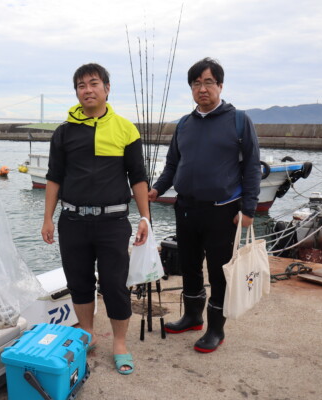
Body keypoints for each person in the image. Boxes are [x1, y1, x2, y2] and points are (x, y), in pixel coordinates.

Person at [41, 63, 150, 375]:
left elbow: (138, 177)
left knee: (115, 284)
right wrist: (47, 218)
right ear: (76, 92)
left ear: (106, 88)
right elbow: (54, 178)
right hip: (72, 221)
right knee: (79, 282)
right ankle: (86, 334)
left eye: (93, 84)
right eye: (80, 86)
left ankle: (119, 342)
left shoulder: (126, 129)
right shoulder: (63, 132)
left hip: (113, 223)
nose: (87, 90)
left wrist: (145, 217)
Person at [149, 57, 261, 353]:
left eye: (208, 82)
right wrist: (158, 188)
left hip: (223, 210)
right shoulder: (184, 124)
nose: (202, 89)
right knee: (189, 265)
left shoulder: (239, 120)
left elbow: (251, 167)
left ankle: (216, 329)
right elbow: (172, 163)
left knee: (219, 270)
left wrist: (248, 210)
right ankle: (192, 316)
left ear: (220, 85)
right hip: (185, 207)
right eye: (196, 83)